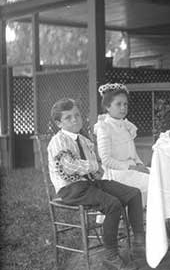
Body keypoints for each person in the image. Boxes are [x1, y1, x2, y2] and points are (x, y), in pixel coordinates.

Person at [47, 98, 145, 270]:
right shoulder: (59, 141)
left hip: (90, 183)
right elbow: (69, 166)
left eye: (76, 115)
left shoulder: (84, 140)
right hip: (70, 188)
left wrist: (94, 169)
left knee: (134, 193)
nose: (75, 120)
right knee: (113, 205)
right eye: (68, 118)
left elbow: (98, 170)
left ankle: (139, 241)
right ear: (58, 123)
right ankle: (111, 256)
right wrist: (92, 167)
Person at [94, 83, 149, 207]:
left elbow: (133, 153)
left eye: (125, 104)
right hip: (116, 174)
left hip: (132, 170)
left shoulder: (126, 126)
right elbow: (106, 160)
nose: (123, 108)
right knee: (154, 182)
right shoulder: (105, 128)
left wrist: (140, 164)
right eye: (118, 104)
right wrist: (132, 168)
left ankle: (154, 220)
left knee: (159, 176)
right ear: (107, 107)